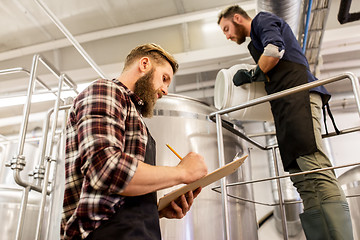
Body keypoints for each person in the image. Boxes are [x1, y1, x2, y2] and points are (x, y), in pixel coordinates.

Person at [218, 5, 353, 240]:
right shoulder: (253, 45)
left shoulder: (262, 20)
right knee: (300, 177)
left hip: (299, 95)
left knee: (315, 166)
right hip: (283, 106)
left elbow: (275, 48)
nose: (227, 36)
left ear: (238, 18)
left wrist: (252, 74)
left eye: (227, 29)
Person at [61, 43, 208, 240]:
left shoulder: (137, 121)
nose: (164, 90)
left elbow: (117, 197)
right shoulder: (106, 90)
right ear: (145, 64)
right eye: (164, 78)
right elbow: (105, 169)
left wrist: (156, 211)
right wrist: (183, 172)